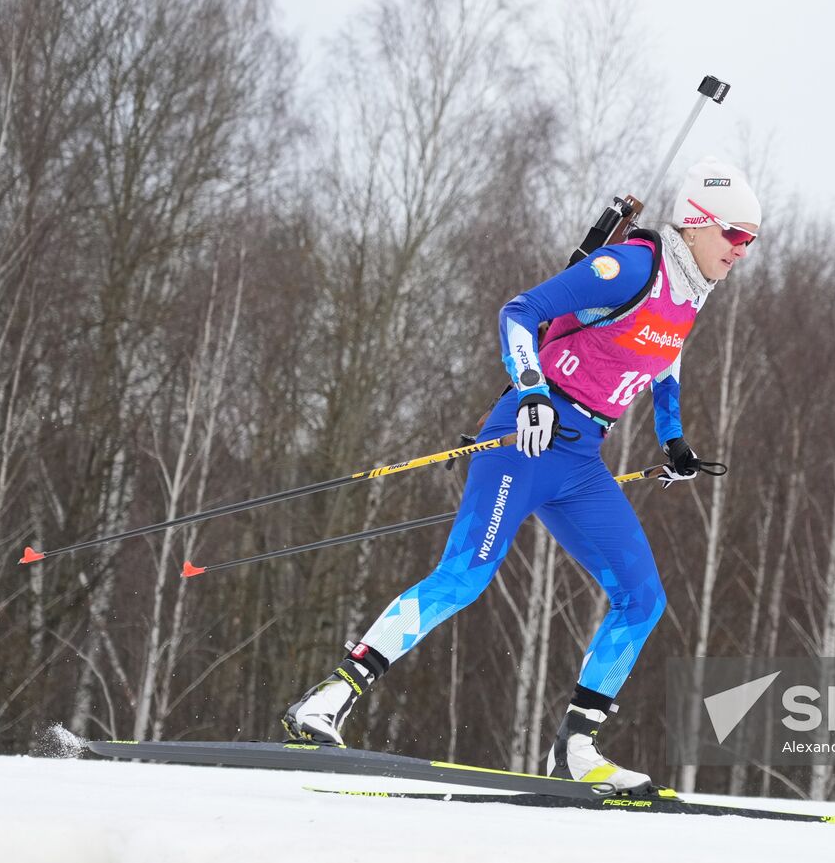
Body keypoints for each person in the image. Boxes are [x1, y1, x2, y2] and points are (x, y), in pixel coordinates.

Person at [282, 156, 762, 793]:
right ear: (698, 224)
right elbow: (519, 311)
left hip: (582, 459)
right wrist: (532, 390)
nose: (741, 250)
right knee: (466, 576)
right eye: (735, 235)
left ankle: (575, 749)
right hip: (525, 439)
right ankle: (327, 699)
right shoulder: (632, 266)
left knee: (642, 599)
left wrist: (673, 439)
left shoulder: (692, 289)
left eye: (750, 240)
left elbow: (664, 361)